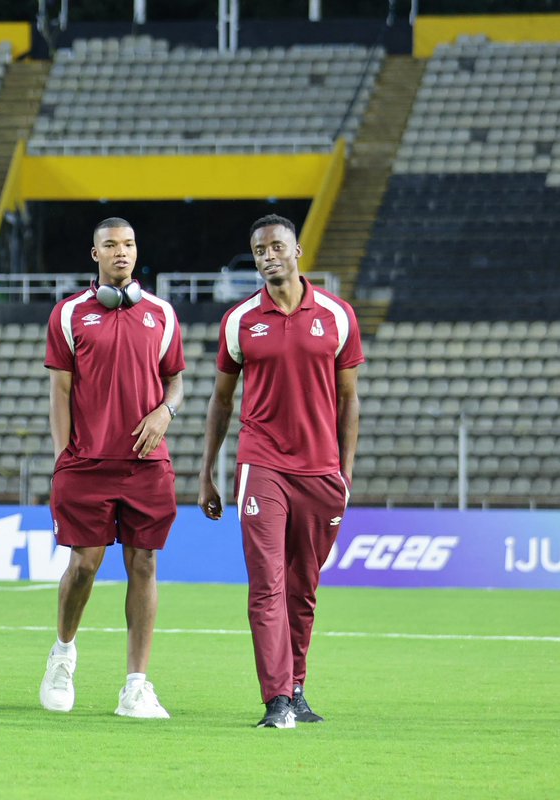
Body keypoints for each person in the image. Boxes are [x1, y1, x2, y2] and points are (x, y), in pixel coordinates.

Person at [197, 214, 363, 729]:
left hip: (320, 472)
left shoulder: (337, 315)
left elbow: (350, 399)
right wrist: (208, 471)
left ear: (298, 251)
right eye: (259, 250)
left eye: (276, 247)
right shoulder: (240, 320)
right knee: (266, 583)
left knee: (302, 587)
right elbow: (221, 402)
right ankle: (276, 701)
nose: (268, 256)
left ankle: (297, 688)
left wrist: (345, 472)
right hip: (261, 463)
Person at [39, 217, 186, 719]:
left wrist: (166, 410)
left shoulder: (162, 314)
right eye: (110, 246)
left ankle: (136, 685)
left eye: (128, 245)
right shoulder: (69, 314)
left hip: (147, 465)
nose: (121, 252)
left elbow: (177, 384)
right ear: (94, 253)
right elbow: (59, 390)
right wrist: (64, 457)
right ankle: (62, 653)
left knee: (144, 564)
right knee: (84, 565)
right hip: (86, 463)